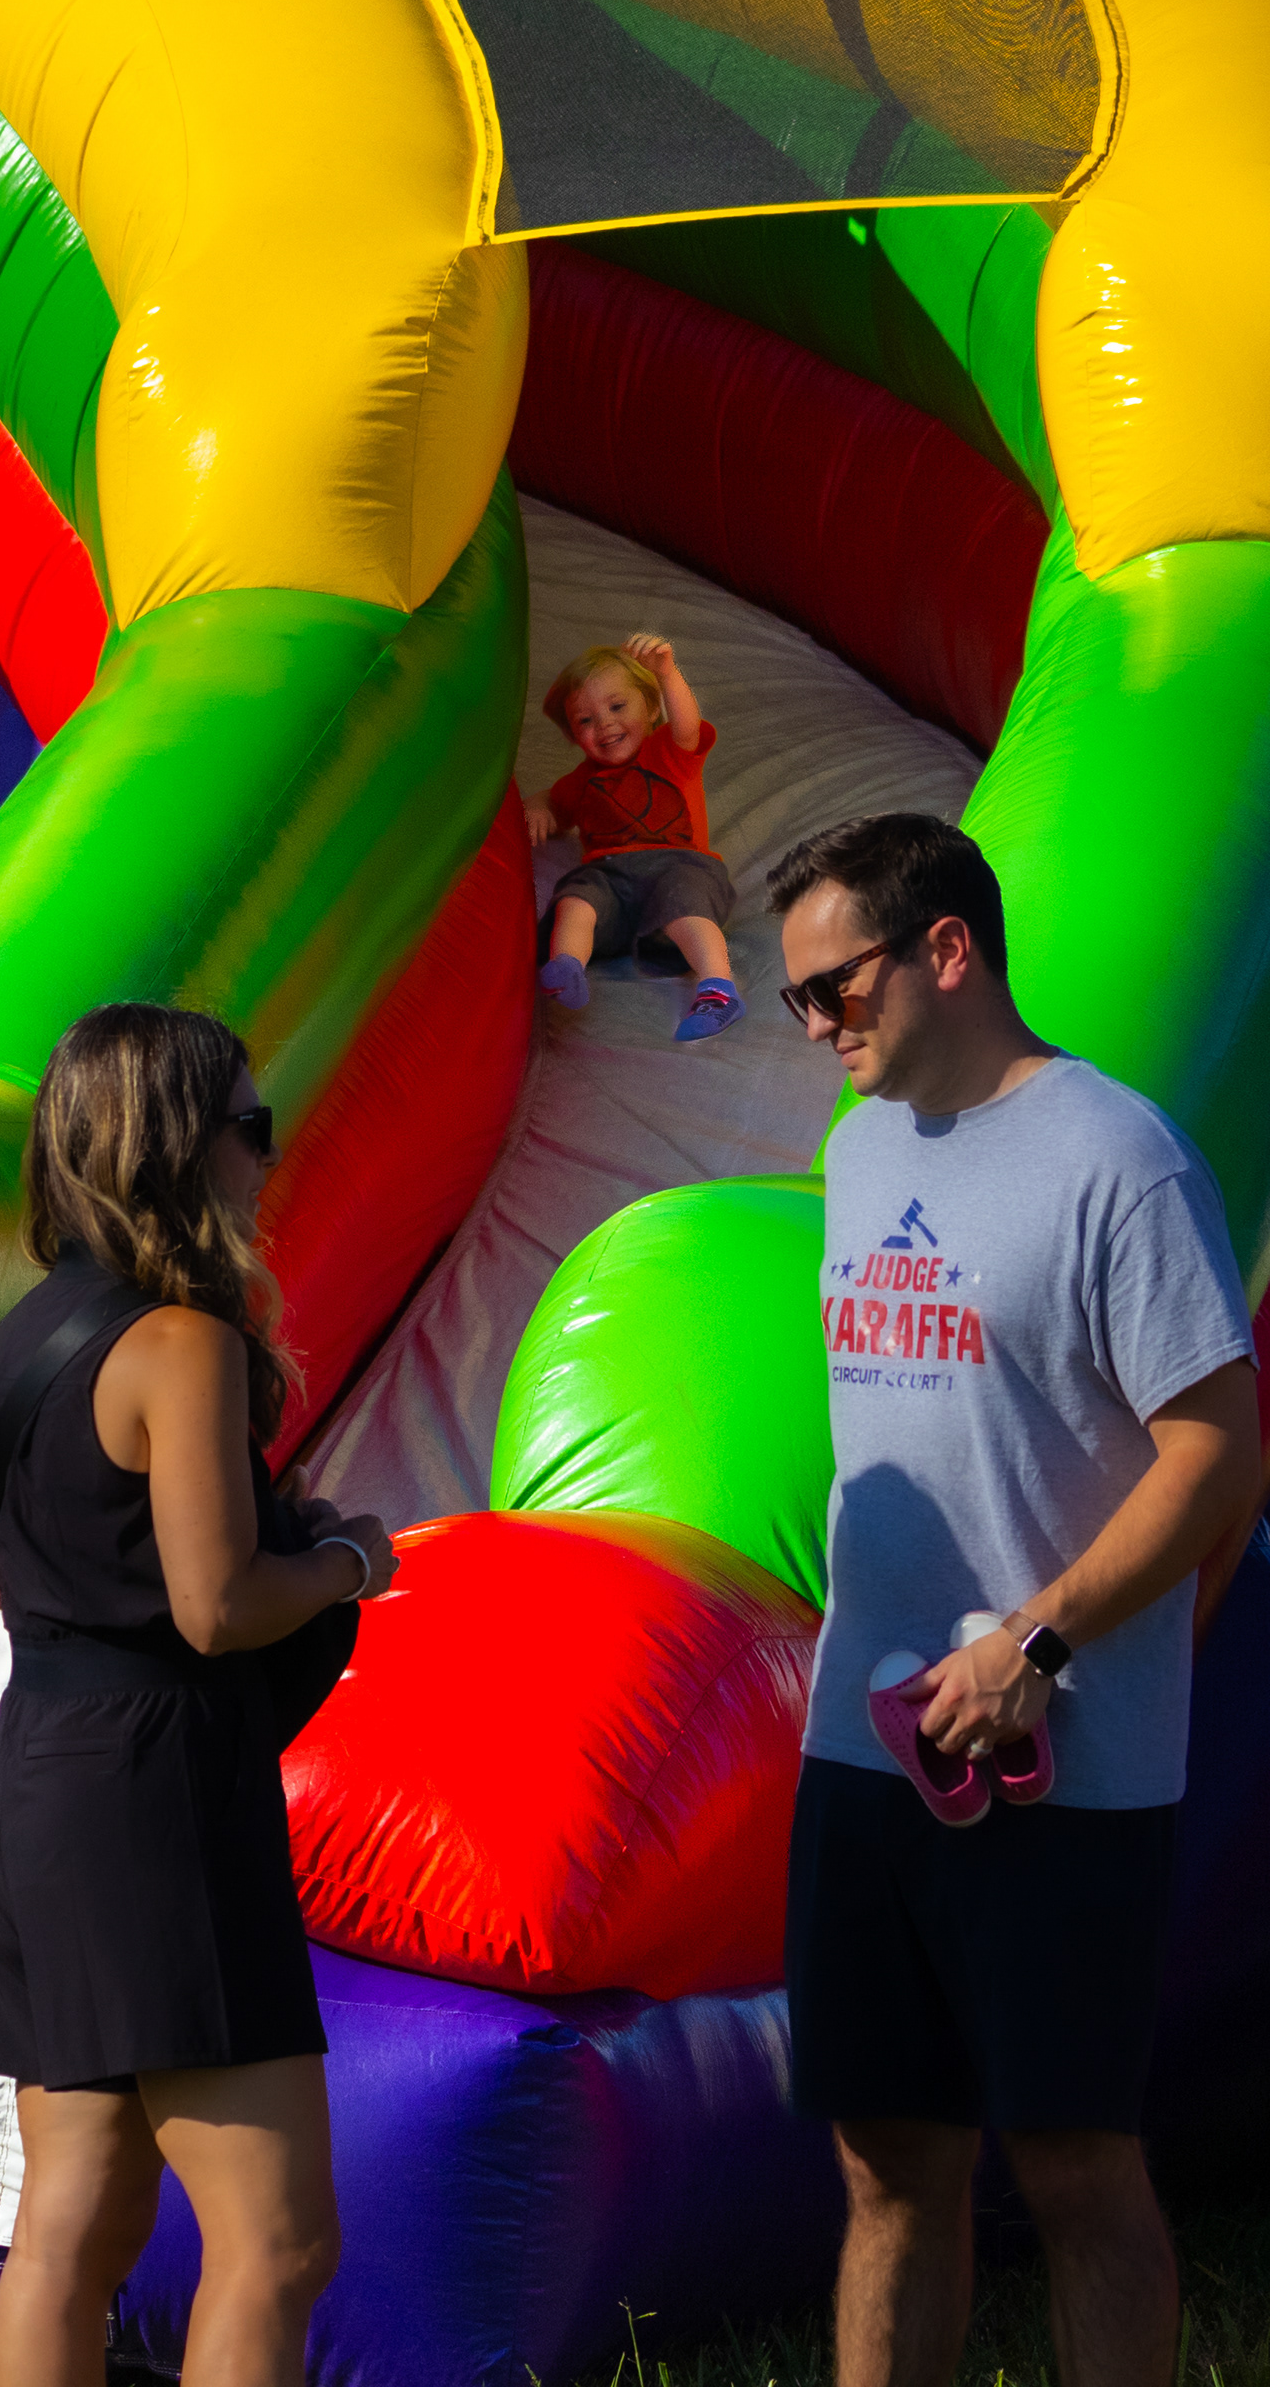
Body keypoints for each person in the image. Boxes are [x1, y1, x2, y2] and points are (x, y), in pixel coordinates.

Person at [770, 811, 1258, 2387]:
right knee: (886, 2168)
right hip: (871, 1748)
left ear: (946, 951)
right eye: (796, 1002)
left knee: (1075, 2172)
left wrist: (1045, 1642)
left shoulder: (1119, 1157)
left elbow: (1221, 1450)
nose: (819, 1027)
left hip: (1066, 1769)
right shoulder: (854, 1154)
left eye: (835, 989)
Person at [0, 1003, 398, 2387]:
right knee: (277, 2242)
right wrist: (343, 1563)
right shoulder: (181, 1343)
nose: (267, 1160)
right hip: (158, 1795)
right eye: (250, 1129)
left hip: (42, 1776)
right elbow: (216, 1609)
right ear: (177, 1146)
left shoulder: (26, 1335)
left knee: (74, 2220)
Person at [523, 632, 746, 1042]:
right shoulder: (583, 780)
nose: (604, 724)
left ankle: (718, 989)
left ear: (651, 707)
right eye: (584, 721)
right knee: (576, 899)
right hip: (609, 877)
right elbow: (553, 801)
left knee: (686, 902)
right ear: (574, 735)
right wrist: (538, 808)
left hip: (678, 864)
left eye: (618, 706)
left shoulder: (667, 750)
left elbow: (687, 724)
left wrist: (666, 672)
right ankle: (567, 966)